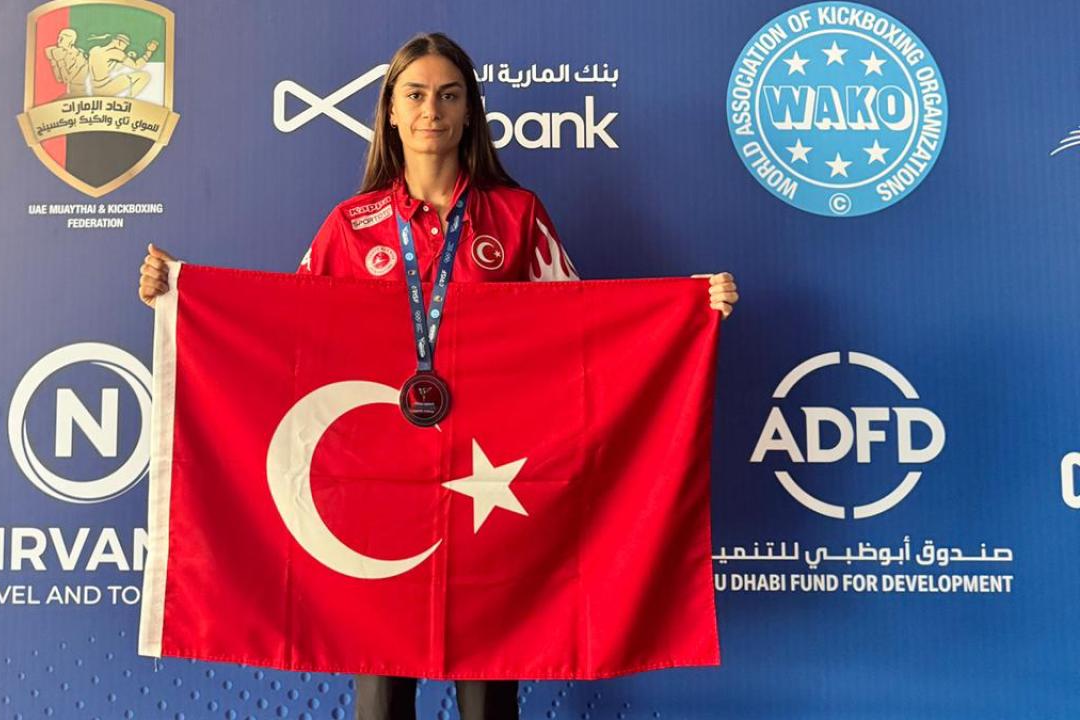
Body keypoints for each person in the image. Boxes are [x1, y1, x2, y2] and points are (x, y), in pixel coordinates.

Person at [138, 31, 738, 720]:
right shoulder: (351, 226)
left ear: (469, 111)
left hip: (494, 491)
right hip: (378, 494)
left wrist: (689, 312)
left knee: (489, 698)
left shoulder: (516, 216)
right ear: (391, 111)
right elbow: (286, 340)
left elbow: (583, 337)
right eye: (417, 95)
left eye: (449, 96)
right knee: (380, 700)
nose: (432, 110)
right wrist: (181, 299)